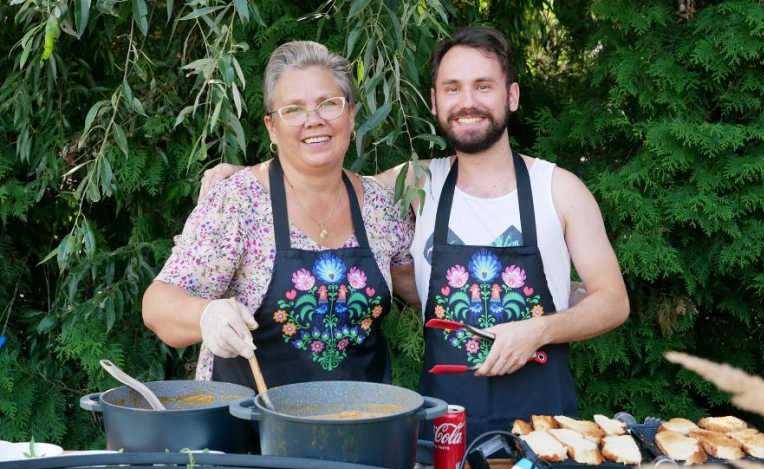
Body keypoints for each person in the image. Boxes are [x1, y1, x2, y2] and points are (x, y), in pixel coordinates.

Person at [199, 27, 630, 443]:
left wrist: (539, 330)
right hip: (444, 426)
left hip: (543, 425)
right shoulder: (414, 185)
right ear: (435, 101)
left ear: (511, 96)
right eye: (452, 88)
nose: (467, 102)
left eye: (483, 86)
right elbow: (321, 175)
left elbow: (612, 301)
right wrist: (243, 179)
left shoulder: (558, 189)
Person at [142, 41, 415, 392]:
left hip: (359, 427)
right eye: (294, 109)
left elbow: (423, 292)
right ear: (272, 127)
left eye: (328, 104)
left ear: (351, 114)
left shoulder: (382, 207)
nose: (313, 120)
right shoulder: (237, 202)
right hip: (250, 433)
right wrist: (204, 315)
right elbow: (157, 304)